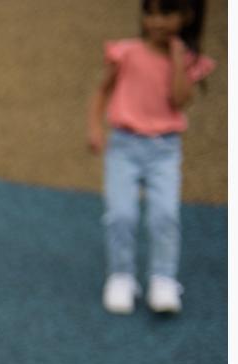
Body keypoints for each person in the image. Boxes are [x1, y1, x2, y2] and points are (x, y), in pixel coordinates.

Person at [87, 0, 216, 315]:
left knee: (164, 215)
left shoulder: (188, 61)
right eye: (151, 13)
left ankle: (163, 279)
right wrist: (95, 127)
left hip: (164, 151)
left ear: (185, 17)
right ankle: (121, 276)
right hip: (124, 146)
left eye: (166, 14)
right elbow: (103, 91)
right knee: (121, 214)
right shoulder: (127, 51)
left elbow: (179, 100)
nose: (156, 22)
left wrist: (177, 58)